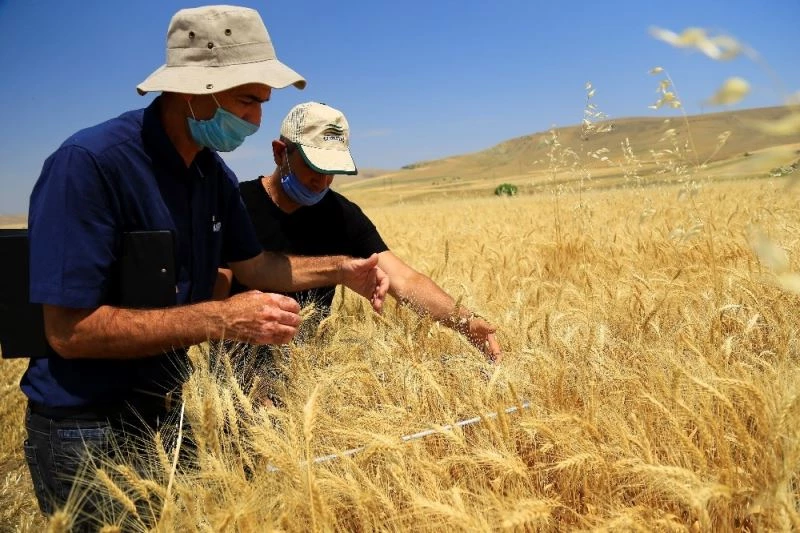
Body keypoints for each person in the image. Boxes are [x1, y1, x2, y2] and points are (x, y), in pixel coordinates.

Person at [22, 7, 388, 527]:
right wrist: (220, 319)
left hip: (169, 411)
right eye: (246, 101)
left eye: (261, 103)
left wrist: (342, 271)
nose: (255, 121)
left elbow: (255, 265)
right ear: (194, 90)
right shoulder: (91, 165)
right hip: (87, 429)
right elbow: (67, 331)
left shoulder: (210, 175)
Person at [219, 102, 501, 362]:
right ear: (280, 153)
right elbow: (215, 299)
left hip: (306, 371)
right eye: (314, 167)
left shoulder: (342, 215)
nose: (323, 182)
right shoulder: (235, 205)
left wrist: (465, 321)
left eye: (332, 170)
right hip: (235, 372)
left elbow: (404, 280)